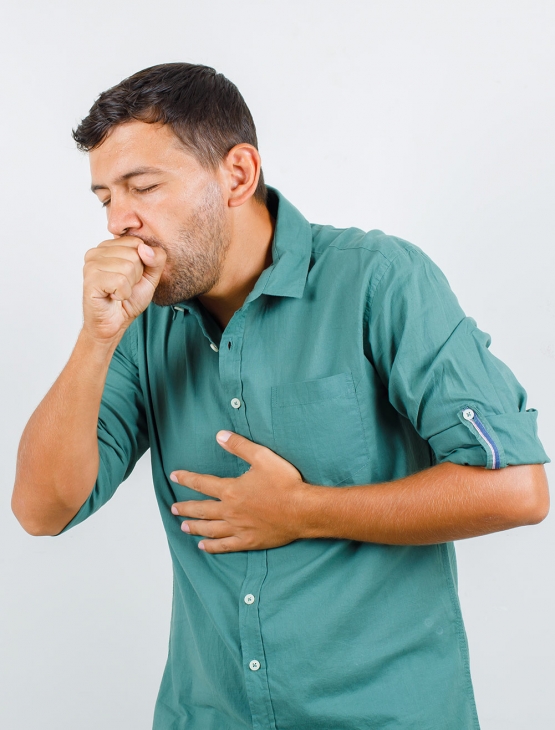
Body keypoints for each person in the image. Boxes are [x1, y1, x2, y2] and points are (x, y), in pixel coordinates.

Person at [12, 62, 550, 730]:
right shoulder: (137, 321)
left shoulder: (376, 280)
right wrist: (95, 339)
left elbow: (516, 489)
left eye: (142, 187)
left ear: (236, 175)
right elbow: (41, 510)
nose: (122, 220)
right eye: (104, 199)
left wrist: (304, 510)